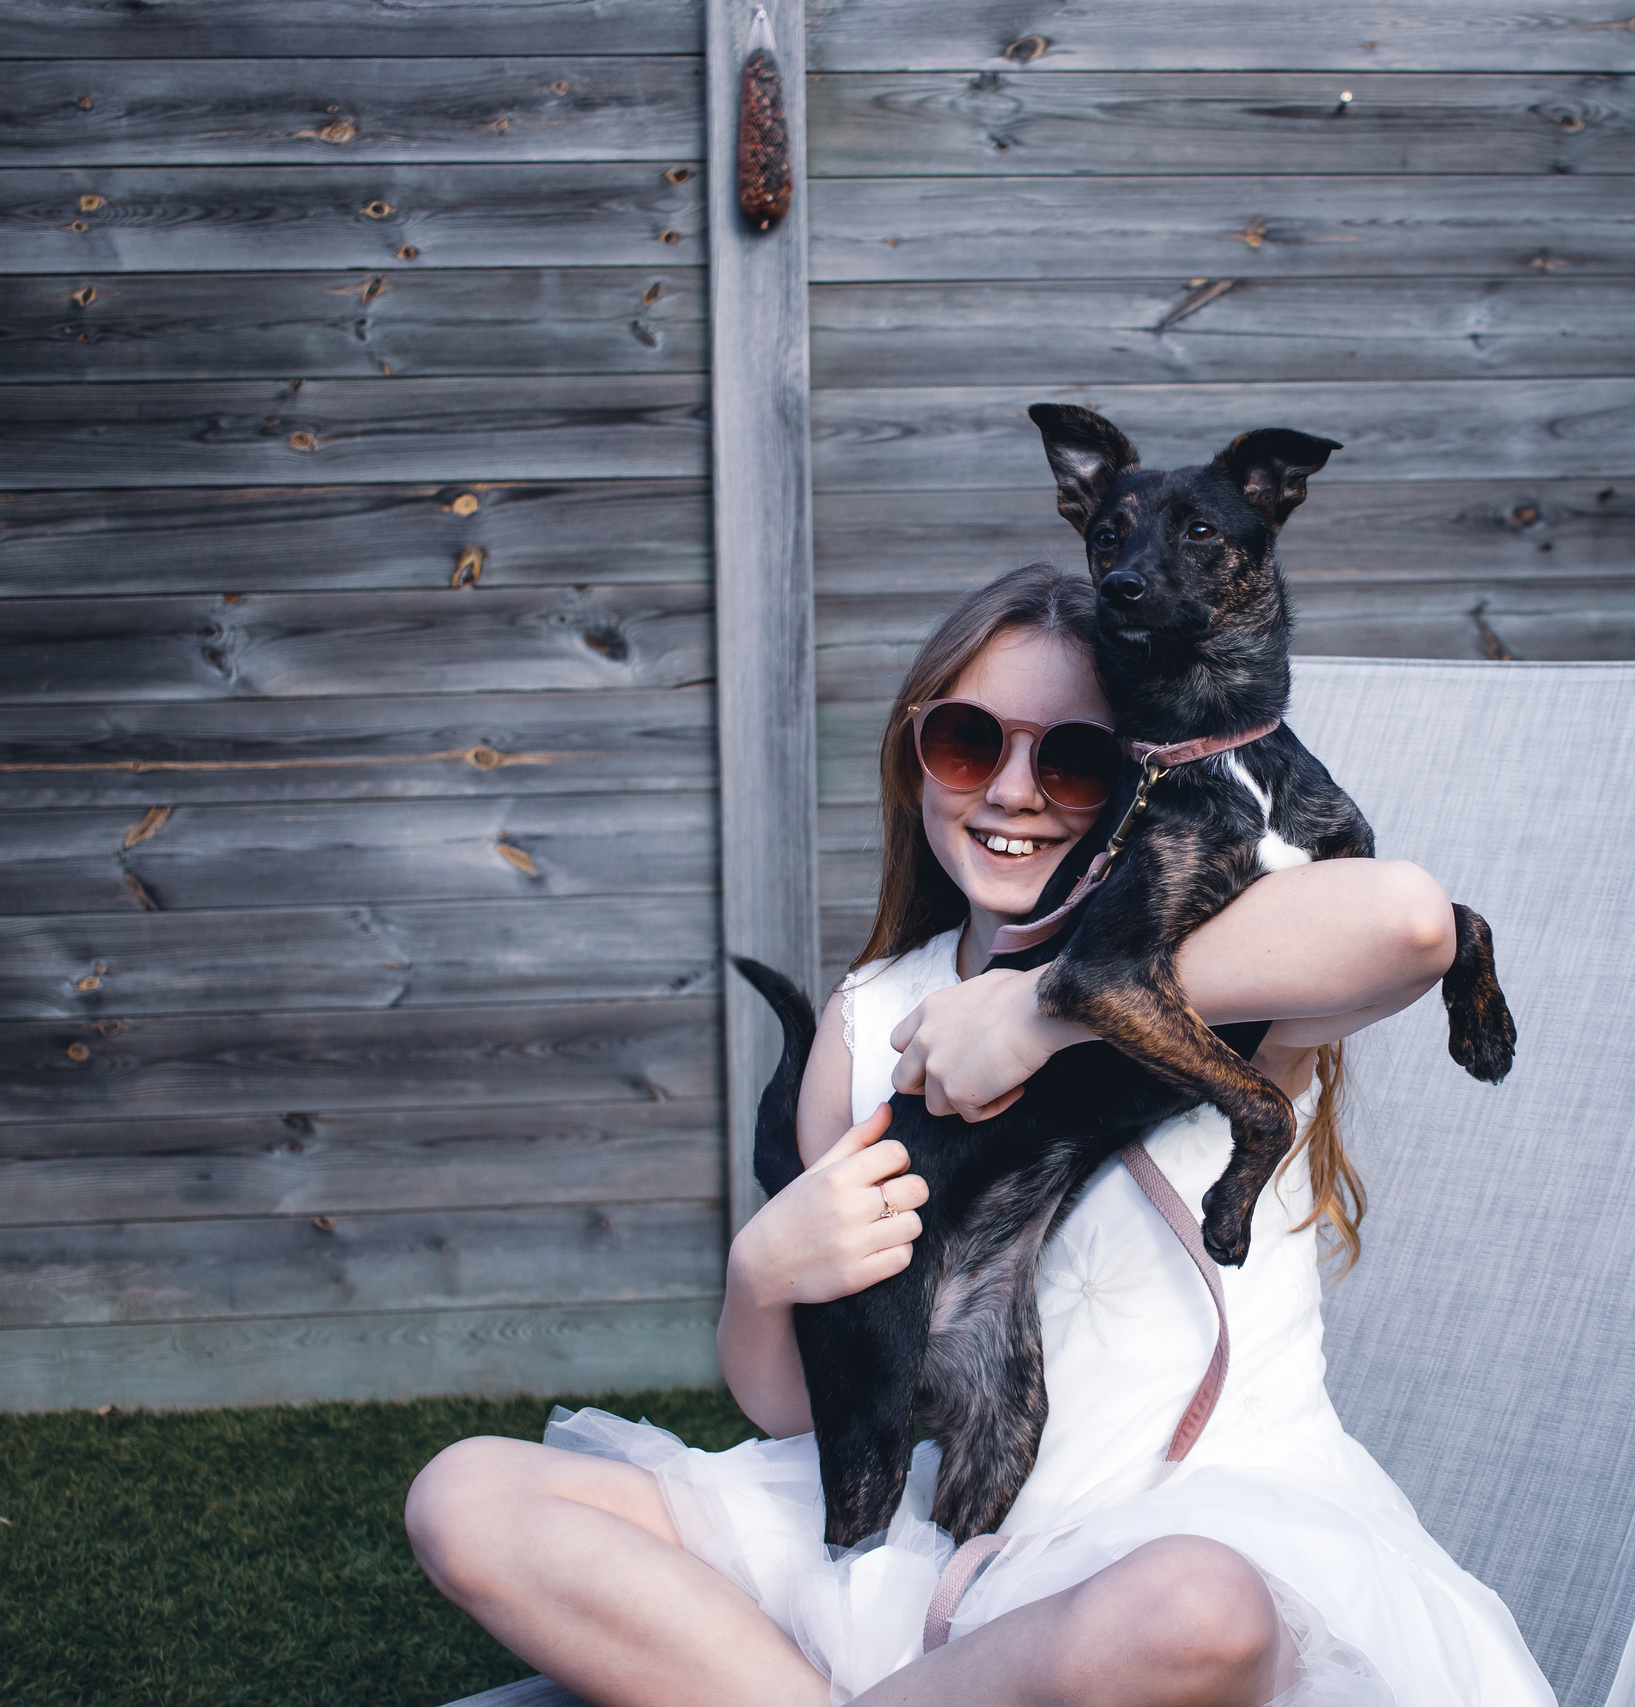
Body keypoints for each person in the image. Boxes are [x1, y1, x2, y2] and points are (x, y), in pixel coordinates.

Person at [405, 564, 1554, 1707]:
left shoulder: (1234, 974)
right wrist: (764, 1273)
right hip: (942, 1527)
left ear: (1151, 773)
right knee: (466, 1497)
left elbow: (1408, 923)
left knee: (1195, 1611)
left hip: (1195, 1525)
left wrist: (1037, 1007)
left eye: (1073, 759)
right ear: (917, 761)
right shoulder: (867, 1024)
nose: (1012, 792)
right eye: (967, 742)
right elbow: (801, 1405)